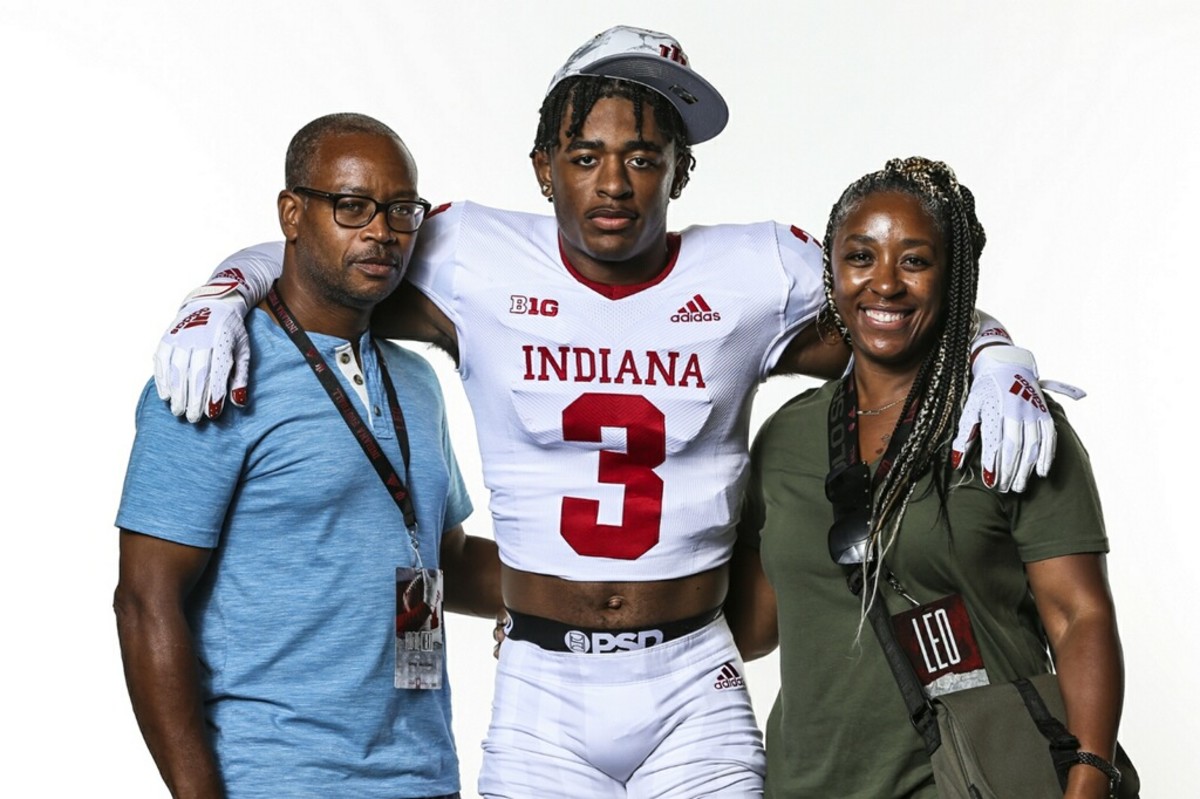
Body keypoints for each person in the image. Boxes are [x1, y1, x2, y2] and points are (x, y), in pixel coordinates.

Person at [149, 29, 1057, 797]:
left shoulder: (753, 271)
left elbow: (892, 307)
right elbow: (327, 250)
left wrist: (993, 349)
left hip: (693, 678)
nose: (615, 182)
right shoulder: (471, 254)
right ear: (544, 168)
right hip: (541, 685)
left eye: (643, 158)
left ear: (681, 170)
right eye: (586, 156)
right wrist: (221, 292)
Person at [113, 113, 501, 799]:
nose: (380, 231)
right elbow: (146, 600)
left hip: (423, 773)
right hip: (277, 775)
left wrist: (587, 599)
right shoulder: (215, 373)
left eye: (400, 210)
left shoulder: (417, 380)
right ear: (292, 214)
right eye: (351, 206)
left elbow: (446, 558)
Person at [726, 157, 1126, 798]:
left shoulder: (1007, 423)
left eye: (914, 260)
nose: (884, 284)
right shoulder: (787, 438)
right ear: (832, 270)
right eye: (861, 256)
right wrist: (594, 620)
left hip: (975, 780)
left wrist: (1088, 780)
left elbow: (1079, 615)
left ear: (953, 276)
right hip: (805, 783)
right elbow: (753, 627)